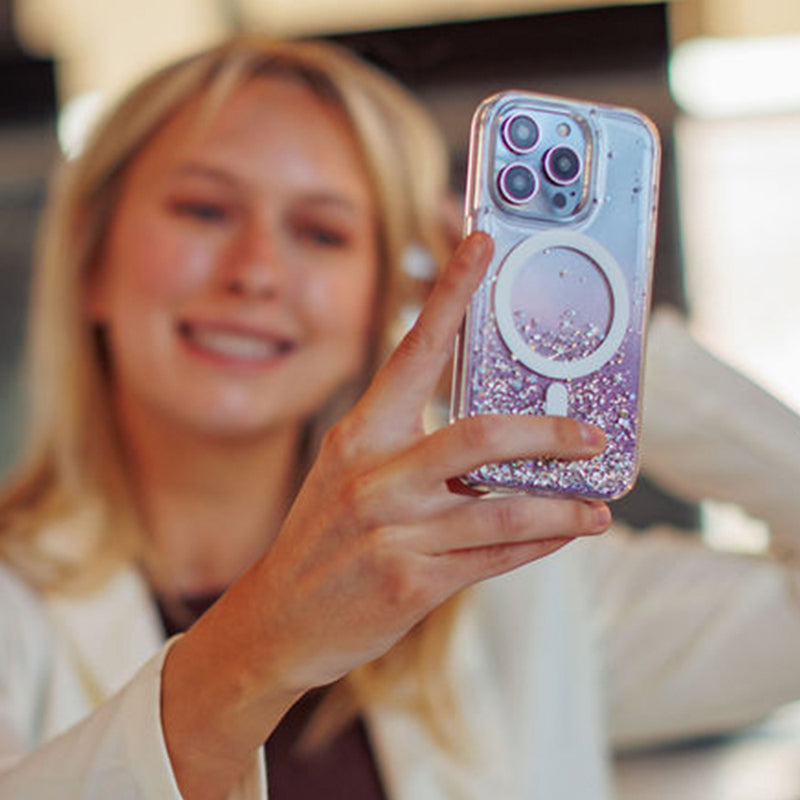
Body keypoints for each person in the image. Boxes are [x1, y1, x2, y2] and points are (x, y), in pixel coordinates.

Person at [2, 35, 800, 800]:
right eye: (205, 211)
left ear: (388, 294)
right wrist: (256, 648)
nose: (256, 272)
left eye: (323, 232)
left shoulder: (518, 602)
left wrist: (582, 339)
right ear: (91, 262)